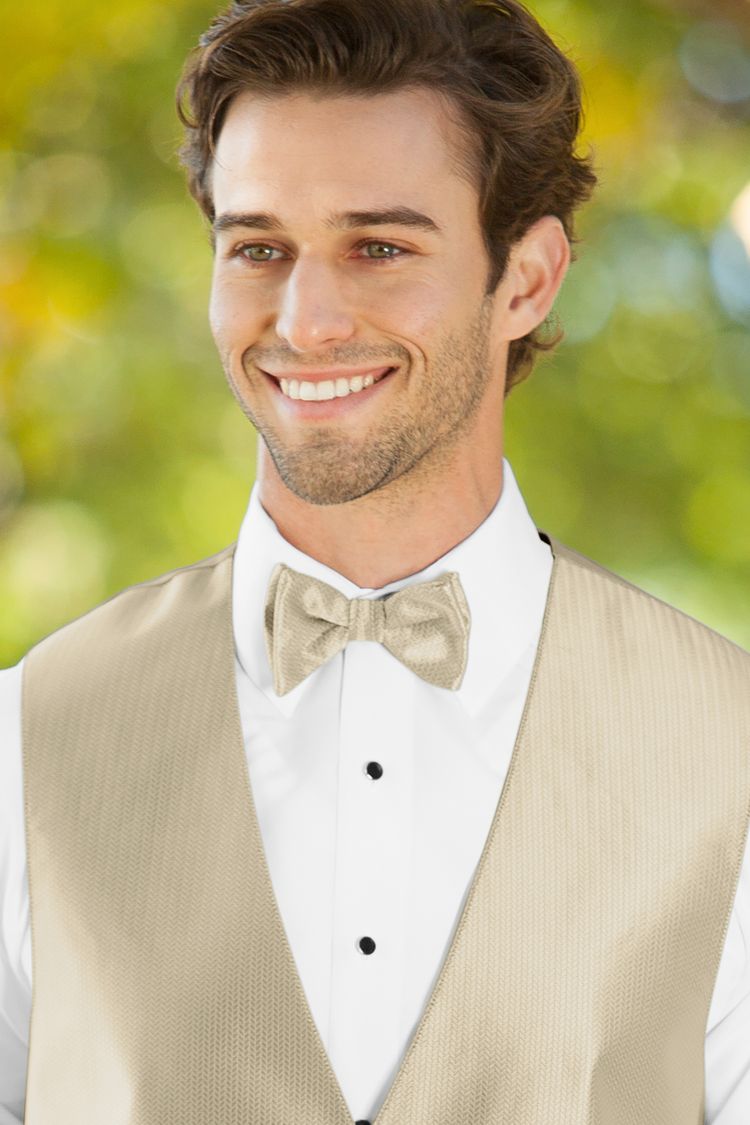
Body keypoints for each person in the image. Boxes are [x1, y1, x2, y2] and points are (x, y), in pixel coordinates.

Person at [1, 0, 748, 1120]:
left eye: (379, 246)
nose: (304, 321)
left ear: (529, 280)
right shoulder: (27, 738)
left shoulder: (728, 747)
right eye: (259, 248)